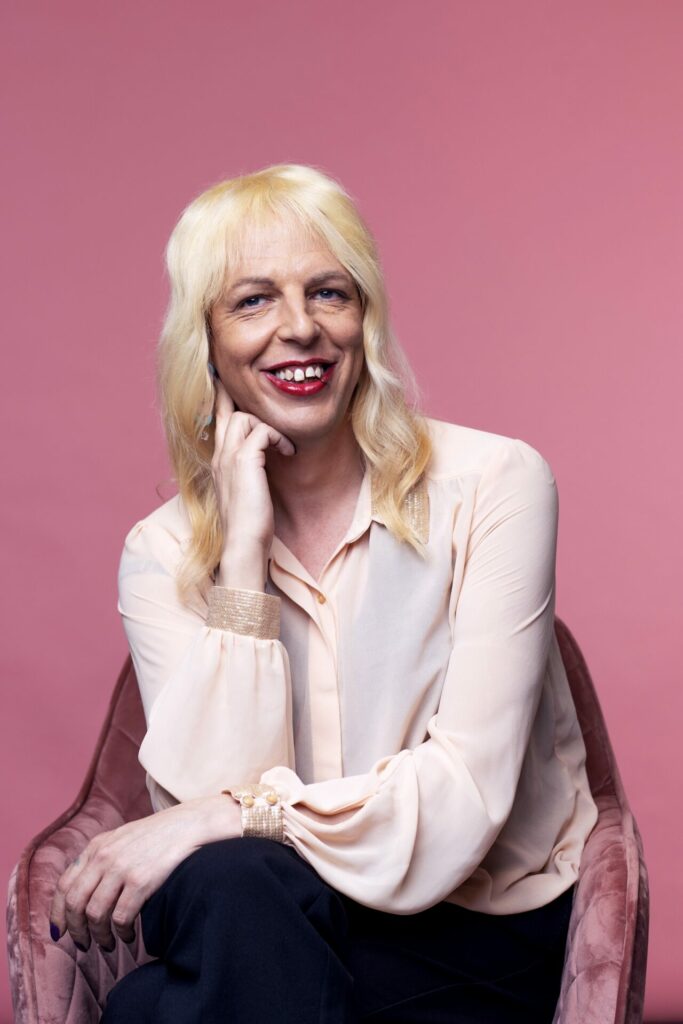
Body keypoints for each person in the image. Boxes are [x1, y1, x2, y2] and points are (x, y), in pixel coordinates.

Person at [49, 162, 599, 1023]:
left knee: (152, 1006)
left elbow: (463, 799)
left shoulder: (494, 482)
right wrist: (243, 554)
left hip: (471, 931)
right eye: (253, 301)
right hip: (270, 916)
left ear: (365, 320)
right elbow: (212, 859)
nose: (299, 329)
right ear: (205, 340)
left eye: (329, 293)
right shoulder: (159, 556)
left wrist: (223, 815)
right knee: (232, 888)